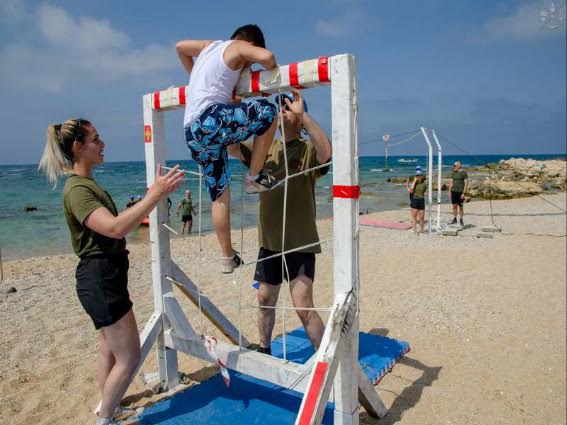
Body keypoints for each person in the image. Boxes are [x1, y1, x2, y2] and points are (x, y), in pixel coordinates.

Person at [38, 118, 184, 425]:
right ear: (78, 147)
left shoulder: (86, 184)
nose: (102, 144)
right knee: (129, 357)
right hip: (100, 278)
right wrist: (154, 196)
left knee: (108, 348)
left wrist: (152, 197)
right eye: (95, 139)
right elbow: (116, 229)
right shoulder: (78, 190)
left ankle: (109, 406)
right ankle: (105, 418)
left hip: (104, 276)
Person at [228, 90, 331, 355]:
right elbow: (232, 148)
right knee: (264, 299)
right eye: (280, 107)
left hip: (301, 242)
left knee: (302, 304)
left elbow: (326, 153)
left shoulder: (307, 149)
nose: (282, 110)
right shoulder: (264, 147)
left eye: (288, 107)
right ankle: (264, 349)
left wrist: (303, 115)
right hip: (270, 243)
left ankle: (326, 360)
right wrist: (236, 110)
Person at [176, 24, 280, 273]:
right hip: (209, 119)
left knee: (219, 194)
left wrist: (195, 80)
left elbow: (180, 47)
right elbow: (268, 58)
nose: (248, 68)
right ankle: (254, 177)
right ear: (250, 44)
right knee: (269, 112)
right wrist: (268, 79)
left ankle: (227, 257)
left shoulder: (207, 46)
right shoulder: (238, 47)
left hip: (191, 130)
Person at [448, 160, 468, 226]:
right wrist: (449, 191)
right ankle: (454, 219)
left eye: (455, 165)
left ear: (459, 166)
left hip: (460, 192)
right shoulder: (453, 172)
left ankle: (461, 219)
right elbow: (451, 182)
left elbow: (466, 183)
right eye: (454, 166)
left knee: (460, 206)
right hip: (453, 191)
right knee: (454, 206)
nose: (454, 167)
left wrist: (464, 193)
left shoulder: (464, 173)